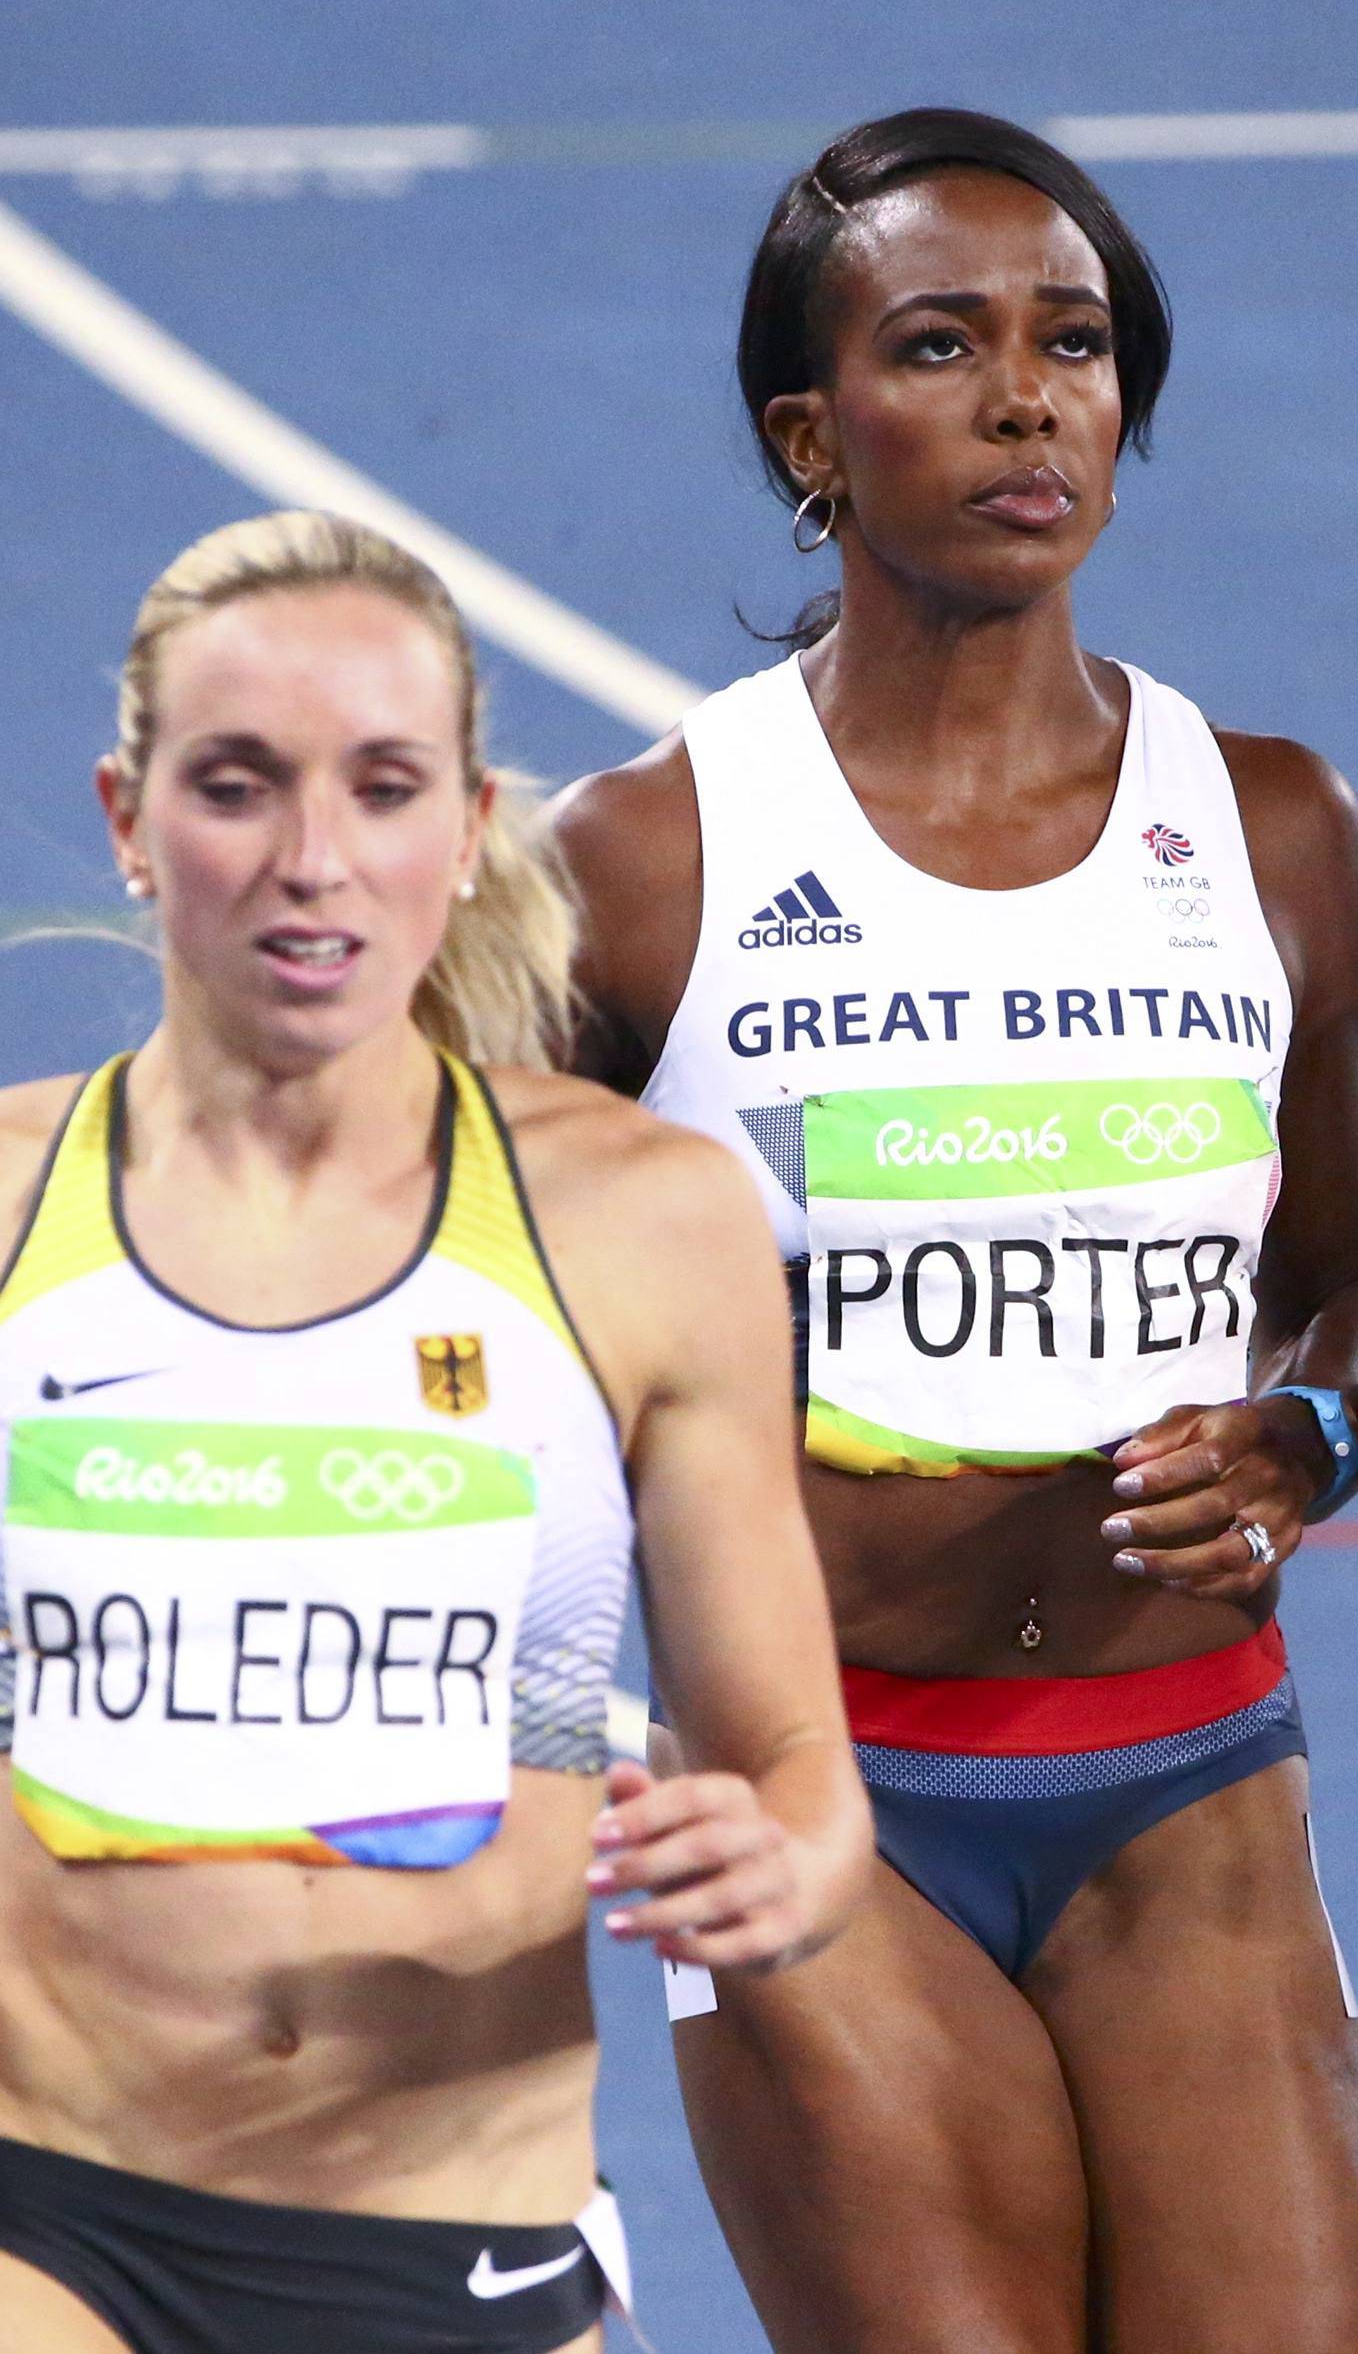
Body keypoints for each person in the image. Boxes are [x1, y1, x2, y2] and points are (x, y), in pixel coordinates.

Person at [558, 106, 1358, 2354]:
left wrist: (1307, 1433)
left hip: (1197, 1786)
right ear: (808, 436)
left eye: (1078, 347)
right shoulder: (642, 863)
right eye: (942, 347)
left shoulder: (1275, 828)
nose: (1030, 399)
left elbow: (1336, 1282)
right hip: (822, 1801)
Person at [0, 510, 869, 2354]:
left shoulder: (642, 1225)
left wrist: (783, 1866)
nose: (314, 861)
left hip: (453, 2240)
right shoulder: (10, 1209)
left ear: (467, 832)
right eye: (238, 785)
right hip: (45, 2213)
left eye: (382, 789)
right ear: (126, 820)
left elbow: (800, 1764)